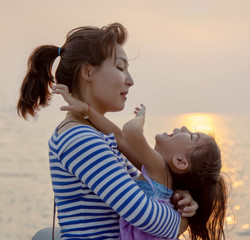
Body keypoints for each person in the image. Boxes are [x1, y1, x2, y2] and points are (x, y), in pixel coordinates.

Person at [17, 22, 198, 240]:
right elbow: (150, 218)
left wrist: (180, 198)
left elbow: (144, 187)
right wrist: (186, 218)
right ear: (88, 71)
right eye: (121, 68)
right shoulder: (80, 139)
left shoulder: (95, 135)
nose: (130, 81)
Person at [52, 84, 228, 240]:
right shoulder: (156, 173)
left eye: (191, 135)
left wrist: (140, 118)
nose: (183, 127)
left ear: (180, 161)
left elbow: (129, 132)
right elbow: (119, 138)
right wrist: (87, 110)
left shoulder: (157, 166)